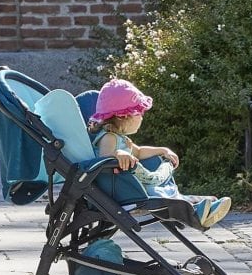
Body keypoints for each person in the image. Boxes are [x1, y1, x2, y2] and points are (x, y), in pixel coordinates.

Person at [88, 78, 232, 228]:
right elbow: (103, 159)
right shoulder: (109, 137)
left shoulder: (121, 138)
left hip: (132, 186)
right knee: (160, 195)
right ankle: (197, 213)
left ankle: (203, 206)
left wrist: (162, 150)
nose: (142, 117)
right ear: (123, 116)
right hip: (124, 191)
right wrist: (118, 153)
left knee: (164, 192)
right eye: (139, 113)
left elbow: (139, 152)